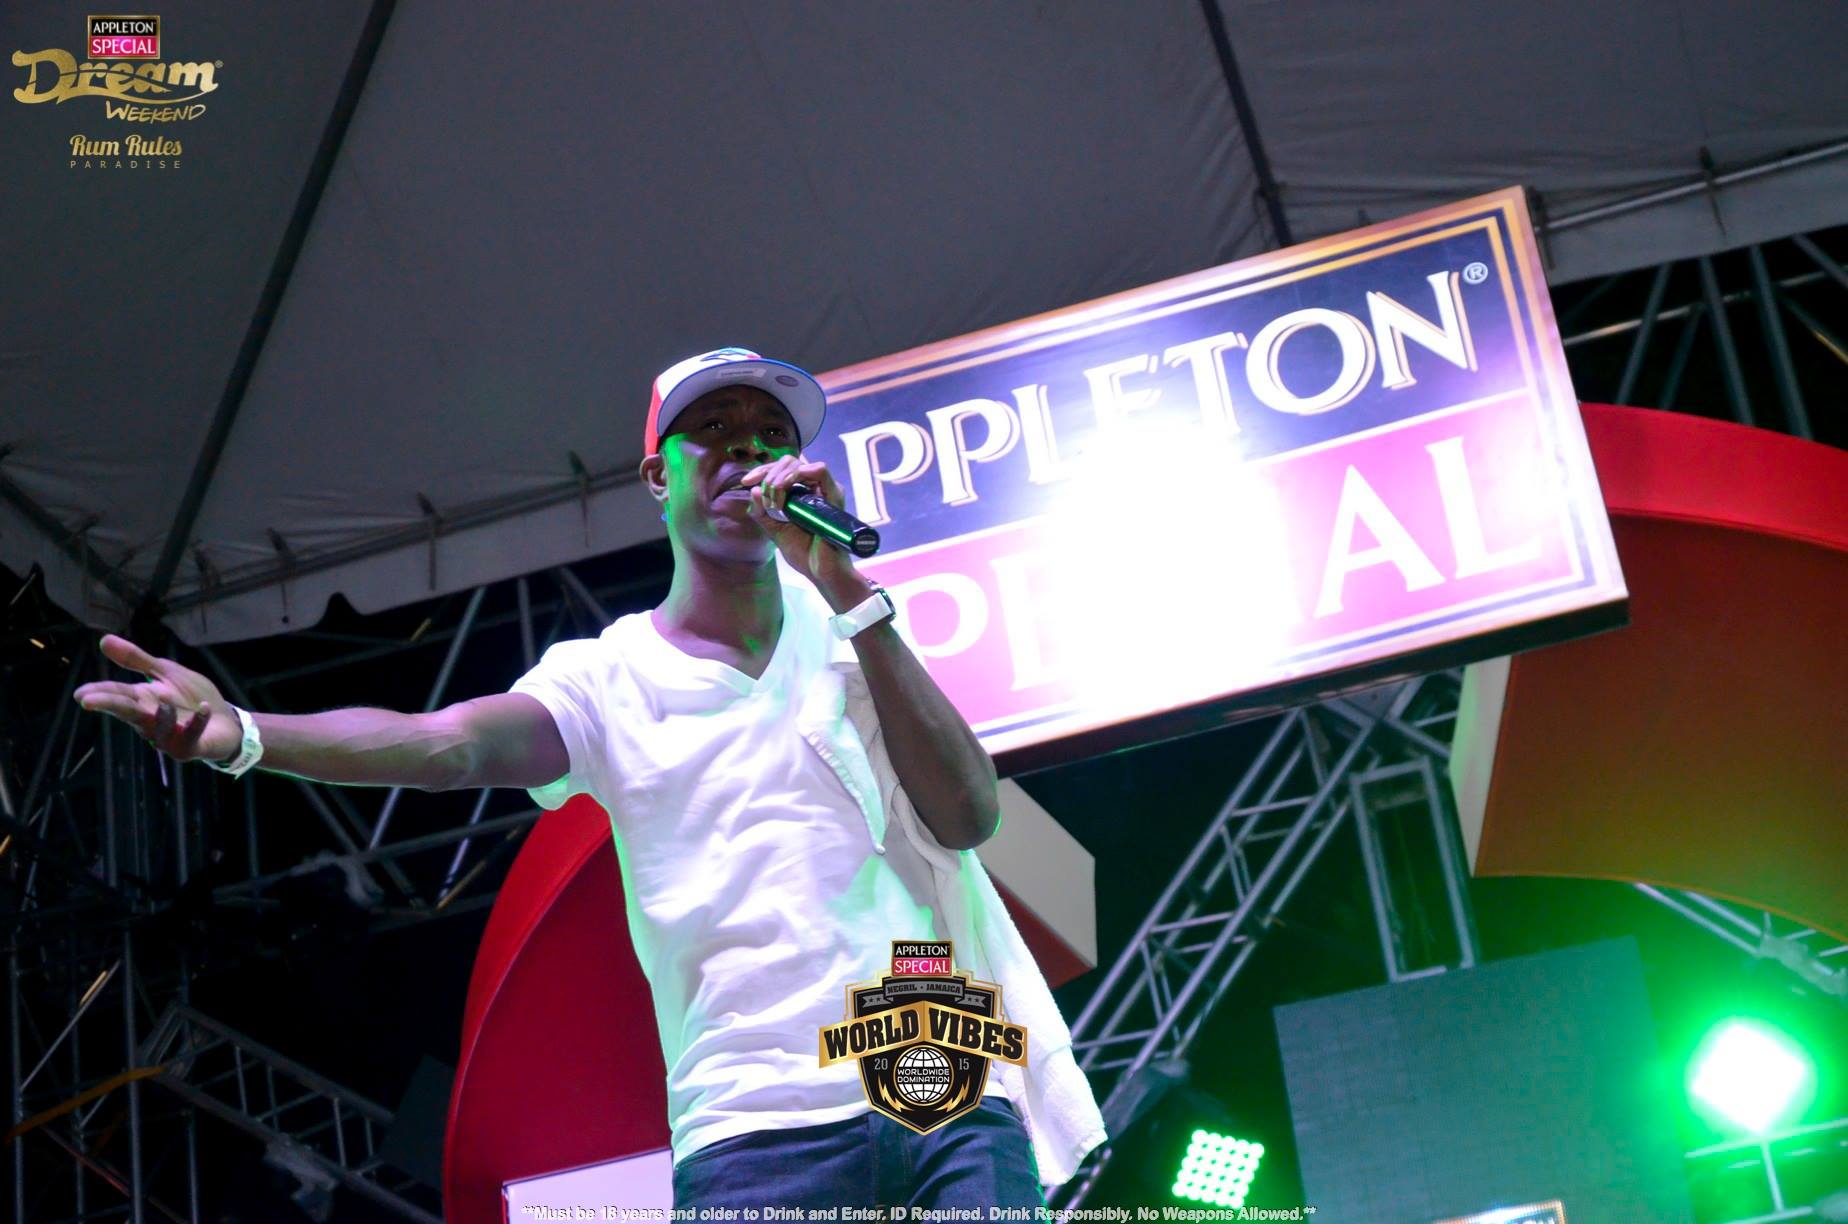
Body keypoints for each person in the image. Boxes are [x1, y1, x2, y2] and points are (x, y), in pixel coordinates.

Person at [74, 348, 1106, 1210]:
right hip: (754, 1120)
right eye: (715, 430)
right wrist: (245, 733)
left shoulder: (851, 630)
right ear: (659, 476)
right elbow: (446, 744)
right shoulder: (607, 678)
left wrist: (848, 591)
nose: (749, 450)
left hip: (938, 1071)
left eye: (771, 434)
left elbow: (968, 815)